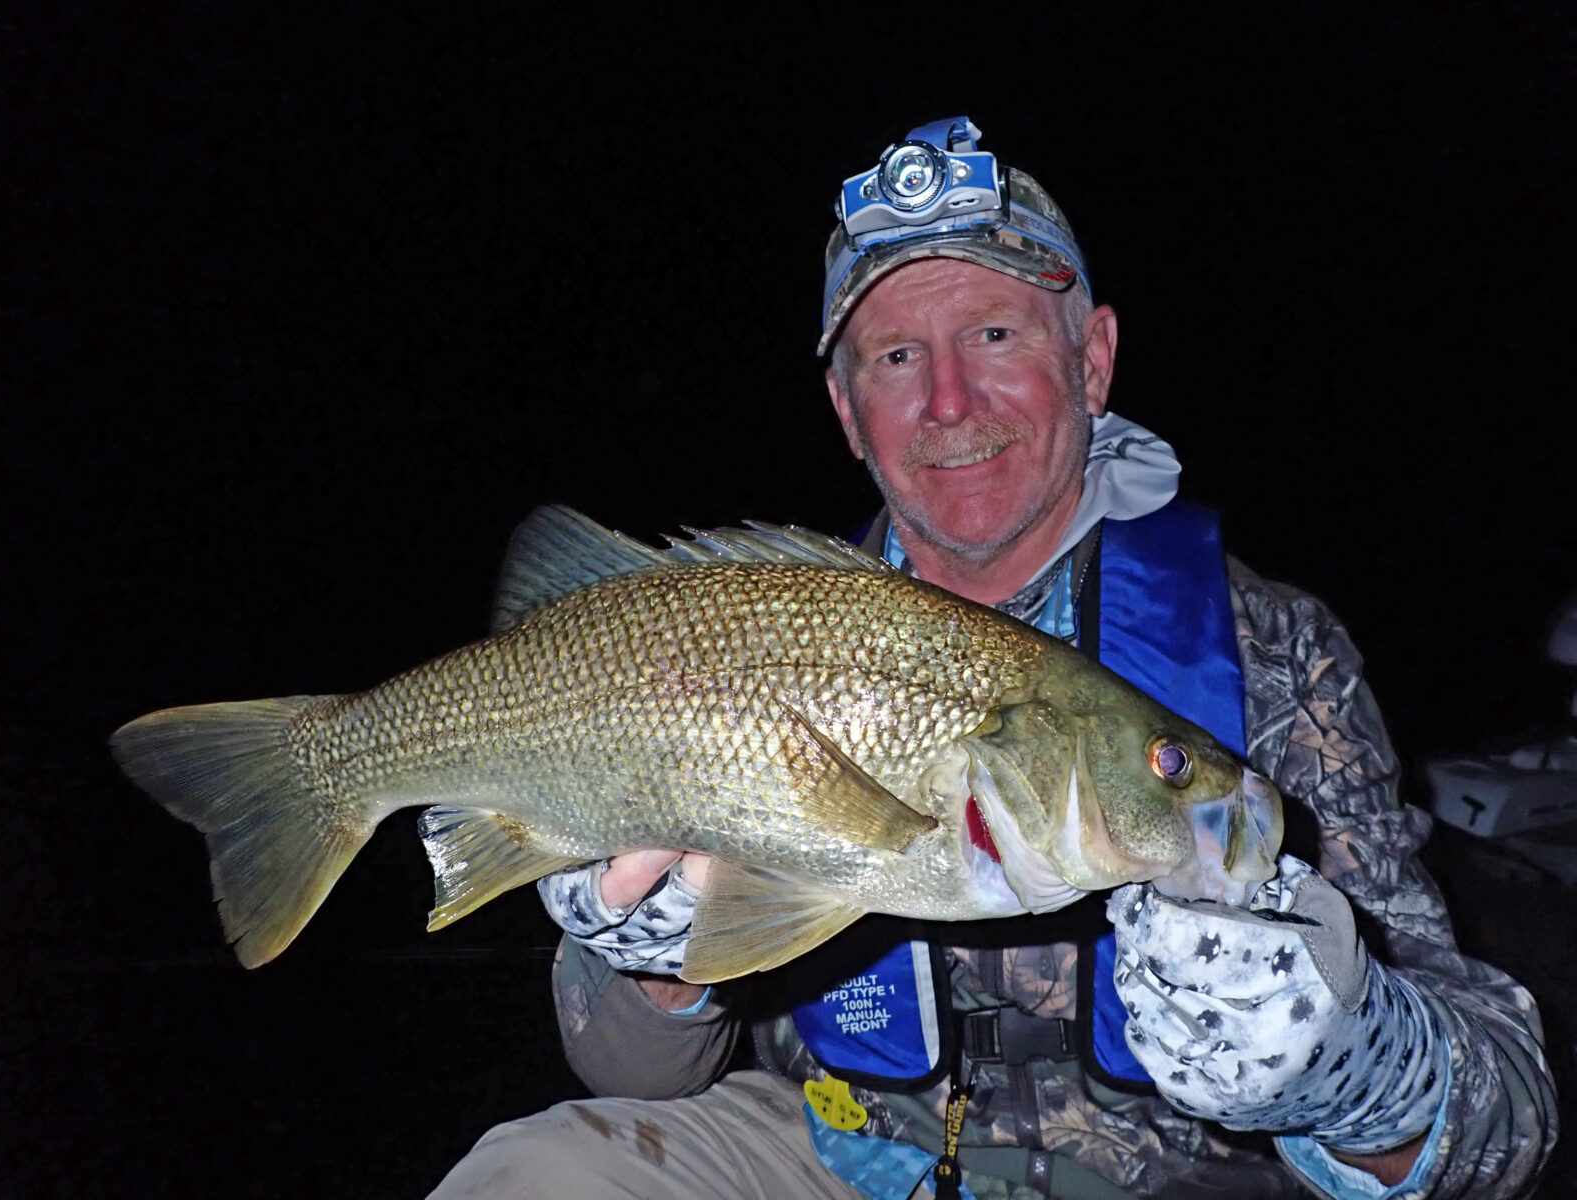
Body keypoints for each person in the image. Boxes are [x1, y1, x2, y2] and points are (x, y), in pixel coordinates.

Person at [429, 117, 1557, 1199]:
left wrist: (1356, 1068)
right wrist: (651, 960)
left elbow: (1505, 1124)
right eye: (898, 354)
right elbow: (638, 1076)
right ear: (844, 407)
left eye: (997, 335)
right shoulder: (745, 631)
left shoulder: (1274, 649)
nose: (949, 400)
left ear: (1094, 358)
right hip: (842, 1156)